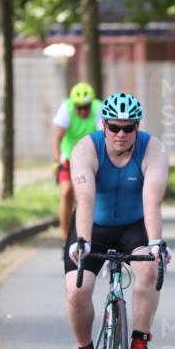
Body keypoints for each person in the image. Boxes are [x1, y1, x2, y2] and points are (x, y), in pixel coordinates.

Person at [64, 92, 170, 349]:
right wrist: (82, 241)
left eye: (129, 127)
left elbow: (152, 201)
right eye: (114, 127)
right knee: (77, 290)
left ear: (138, 127)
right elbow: (84, 199)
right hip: (92, 226)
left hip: (133, 226)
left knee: (149, 268)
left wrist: (156, 243)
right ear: (104, 125)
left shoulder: (154, 150)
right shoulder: (86, 149)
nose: (121, 134)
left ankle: (139, 340)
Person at [52, 82, 103, 243]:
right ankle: (65, 237)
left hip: (91, 159)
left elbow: (104, 138)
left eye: (86, 107)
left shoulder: (99, 108)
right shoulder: (66, 109)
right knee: (67, 191)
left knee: (93, 195)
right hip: (68, 157)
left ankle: (92, 234)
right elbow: (56, 139)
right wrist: (57, 160)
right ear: (73, 104)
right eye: (79, 107)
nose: (82, 111)